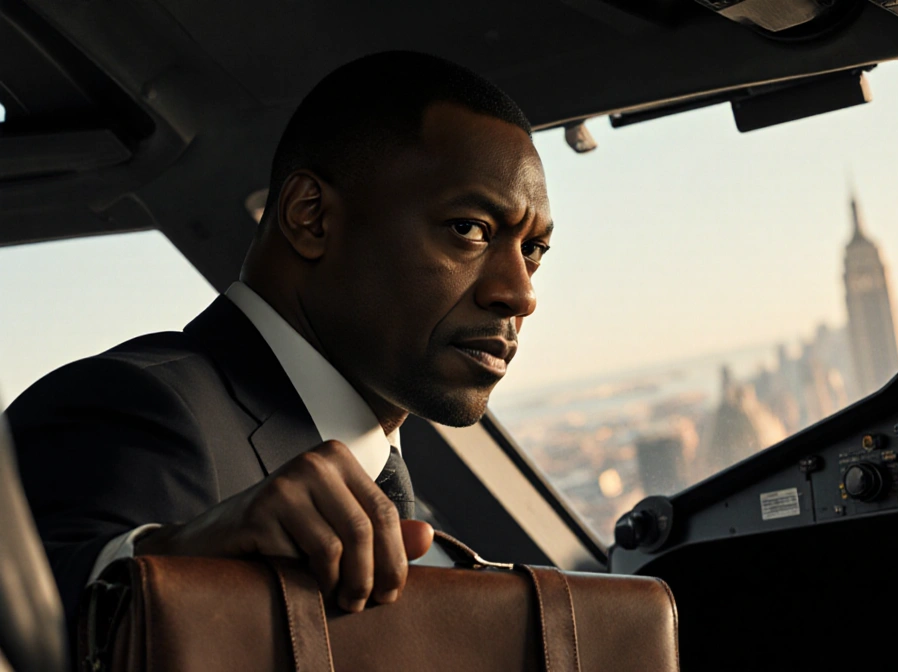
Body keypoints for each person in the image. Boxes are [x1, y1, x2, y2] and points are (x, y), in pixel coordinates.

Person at [5, 51, 553, 619]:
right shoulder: (135, 408)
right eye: (469, 230)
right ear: (309, 216)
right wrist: (167, 567)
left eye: (532, 250)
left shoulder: (392, 490)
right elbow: (36, 622)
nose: (520, 294)